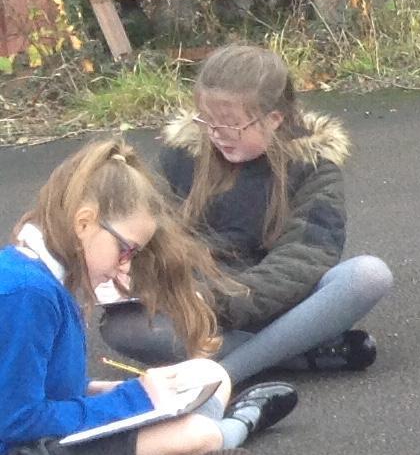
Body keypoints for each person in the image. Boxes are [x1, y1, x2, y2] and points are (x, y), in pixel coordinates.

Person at [2, 139, 295, 455]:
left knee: (210, 374)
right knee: (197, 435)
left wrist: (108, 390)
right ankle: (233, 429)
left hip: (34, 439)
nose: (125, 266)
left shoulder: (46, 280)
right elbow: (17, 420)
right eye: (125, 250)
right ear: (84, 223)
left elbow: (38, 386)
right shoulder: (28, 294)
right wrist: (134, 400)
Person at [92, 43, 394, 380]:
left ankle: (226, 374)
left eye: (232, 125)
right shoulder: (182, 156)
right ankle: (297, 351)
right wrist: (129, 270)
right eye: (207, 121)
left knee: (368, 275)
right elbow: (150, 230)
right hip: (197, 305)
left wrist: (218, 300)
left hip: (276, 302)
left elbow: (303, 259)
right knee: (121, 328)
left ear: (274, 119)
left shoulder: (314, 168)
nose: (217, 134)